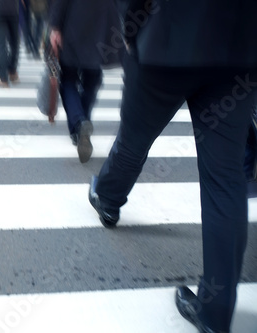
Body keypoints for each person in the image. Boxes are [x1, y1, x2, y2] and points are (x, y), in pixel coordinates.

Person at [88, 1, 257, 332]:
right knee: (224, 179)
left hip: (166, 35)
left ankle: (108, 199)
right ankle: (216, 314)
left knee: (134, 137)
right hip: (241, 49)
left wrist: (132, 28)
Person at [49, 0, 122, 163]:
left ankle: (80, 122)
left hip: (74, 20)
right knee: (93, 79)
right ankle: (82, 124)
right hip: (103, 24)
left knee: (68, 79)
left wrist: (55, 26)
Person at [0, 0, 19, 87]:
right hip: (13, 11)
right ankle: (12, 71)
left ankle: (3, 78)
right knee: (14, 43)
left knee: (2, 45)